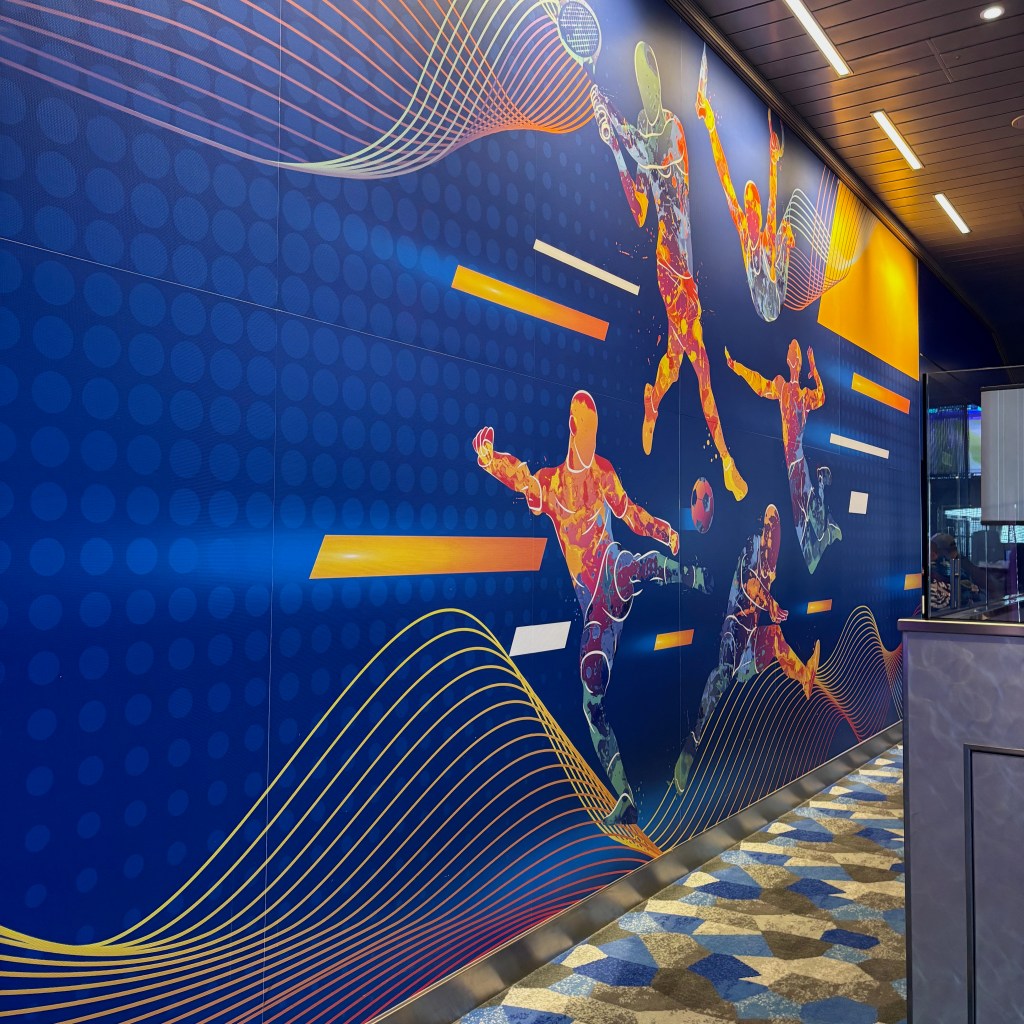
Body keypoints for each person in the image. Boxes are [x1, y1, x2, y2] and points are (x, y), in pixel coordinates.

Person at [473, 390, 712, 826]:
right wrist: (490, 460)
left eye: (596, 434)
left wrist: (663, 530)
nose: (592, 443)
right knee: (591, 701)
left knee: (627, 567)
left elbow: (629, 512)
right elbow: (522, 479)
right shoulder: (551, 485)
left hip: (611, 571)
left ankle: (689, 575)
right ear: (573, 429)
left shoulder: (602, 472)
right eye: (587, 434)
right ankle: (625, 795)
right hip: (596, 611)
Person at [589, 42, 746, 501]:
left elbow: (658, 157)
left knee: (676, 363)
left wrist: (620, 134)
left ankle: (652, 400)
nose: (649, 89)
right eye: (642, 83)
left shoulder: (672, 130)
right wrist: (615, 150)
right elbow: (640, 209)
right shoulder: (639, 136)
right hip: (669, 269)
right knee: (700, 365)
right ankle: (728, 463)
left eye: (652, 79)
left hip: (686, 271)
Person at [674, 504, 820, 794]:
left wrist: (770, 603)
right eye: (769, 525)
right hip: (735, 630)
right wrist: (770, 603)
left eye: (775, 527)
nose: (772, 533)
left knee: (774, 637)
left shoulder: (771, 562)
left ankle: (805, 677)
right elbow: (749, 582)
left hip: (751, 640)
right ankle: (692, 746)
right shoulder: (753, 546)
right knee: (721, 677)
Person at [694, 48, 795, 323]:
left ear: (757, 212)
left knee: (781, 231)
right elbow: (724, 175)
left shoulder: (763, 235)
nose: (750, 207)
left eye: (752, 203)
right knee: (780, 236)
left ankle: (786, 241)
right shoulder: (743, 229)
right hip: (765, 303)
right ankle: (786, 241)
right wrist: (711, 128)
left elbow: (772, 197)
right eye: (748, 202)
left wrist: (773, 161)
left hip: (773, 298)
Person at [727, 339, 841, 573]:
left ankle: (824, 535)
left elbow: (822, 396)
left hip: (796, 461)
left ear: (797, 361)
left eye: (796, 352)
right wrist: (736, 366)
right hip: (793, 463)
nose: (794, 353)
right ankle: (826, 532)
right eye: (792, 350)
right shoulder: (782, 387)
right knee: (804, 512)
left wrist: (814, 368)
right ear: (789, 359)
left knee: (803, 515)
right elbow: (759, 383)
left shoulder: (805, 395)